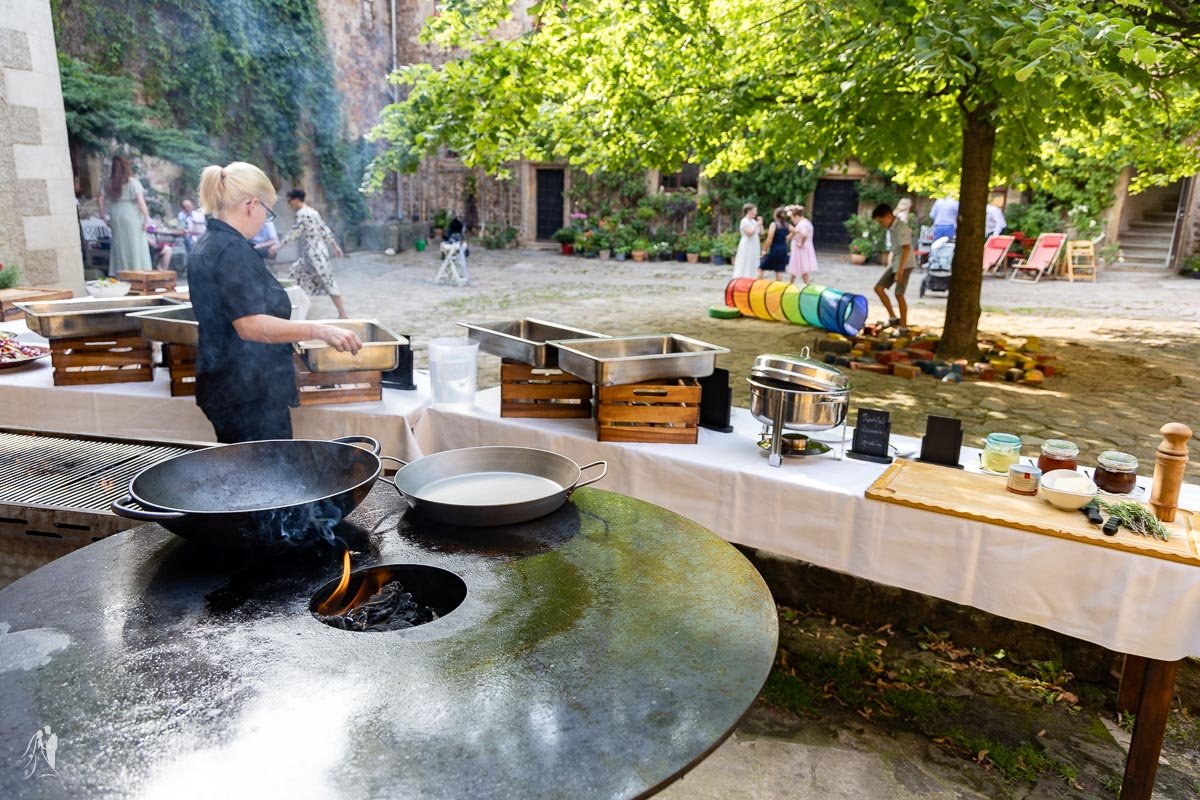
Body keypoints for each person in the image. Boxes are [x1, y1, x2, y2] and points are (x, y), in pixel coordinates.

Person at [188, 162, 361, 443]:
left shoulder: (208, 244)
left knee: (246, 475)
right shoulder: (231, 250)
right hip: (247, 391)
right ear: (251, 204)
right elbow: (251, 325)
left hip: (228, 386)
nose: (264, 222)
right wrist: (321, 331)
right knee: (266, 479)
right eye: (267, 213)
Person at [274, 189, 348, 318]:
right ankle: (297, 309)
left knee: (328, 282)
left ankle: (343, 313)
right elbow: (324, 229)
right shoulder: (313, 212)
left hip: (315, 255)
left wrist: (278, 246)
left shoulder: (303, 214)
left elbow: (294, 232)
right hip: (314, 254)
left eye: (289, 200)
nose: (289, 204)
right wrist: (335, 246)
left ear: (296, 199)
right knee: (295, 275)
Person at [97, 155, 151, 276]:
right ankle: (137, 271)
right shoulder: (132, 182)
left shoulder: (108, 182)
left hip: (116, 212)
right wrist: (147, 219)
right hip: (131, 213)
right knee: (135, 244)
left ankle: (121, 271)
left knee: (119, 244)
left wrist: (103, 215)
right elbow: (140, 202)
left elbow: (100, 198)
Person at [872, 203, 913, 329]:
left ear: (888, 216)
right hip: (896, 263)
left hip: (905, 264)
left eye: (881, 221)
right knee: (879, 288)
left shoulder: (901, 227)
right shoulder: (893, 228)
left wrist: (900, 271)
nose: (881, 224)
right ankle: (893, 318)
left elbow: (906, 249)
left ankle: (903, 326)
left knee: (899, 294)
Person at [786, 205, 817, 285]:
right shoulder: (805, 222)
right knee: (796, 268)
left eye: (792, 218)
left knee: (803, 268)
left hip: (801, 249)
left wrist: (801, 243)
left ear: (796, 216)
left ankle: (807, 286)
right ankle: (790, 284)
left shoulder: (802, 224)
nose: (792, 220)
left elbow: (804, 234)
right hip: (801, 249)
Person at [731, 203, 762, 279]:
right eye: (755, 210)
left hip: (754, 244)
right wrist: (757, 224)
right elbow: (749, 233)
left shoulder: (753, 221)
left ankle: (752, 277)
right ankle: (744, 277)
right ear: (749, 211)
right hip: (747, 244)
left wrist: (760, 224)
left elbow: (761, 232)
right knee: (746, 260)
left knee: (753, 260)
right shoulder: (744, 221)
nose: (756, 213)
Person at [758, 207, 790, 278]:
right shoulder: (786, 224)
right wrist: (787, 238)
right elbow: (795, 231)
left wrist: (765, 249)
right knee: (779, 270)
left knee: (761, 267)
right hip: (783, 248)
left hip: (775, 249)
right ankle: (779, 288)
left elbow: (770, 238)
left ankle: (759, 286)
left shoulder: (774, 224)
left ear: (775, 215)